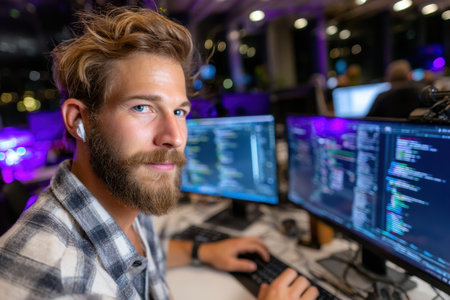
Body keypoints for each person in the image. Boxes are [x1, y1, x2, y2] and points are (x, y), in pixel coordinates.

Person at [0, 6, 319, 300]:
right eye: (142, 107)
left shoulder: (125, 196)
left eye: (180, 112)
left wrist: (202, 252)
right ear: (79, 120)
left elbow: (137, 257)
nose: (175, 138)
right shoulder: (49, 281)